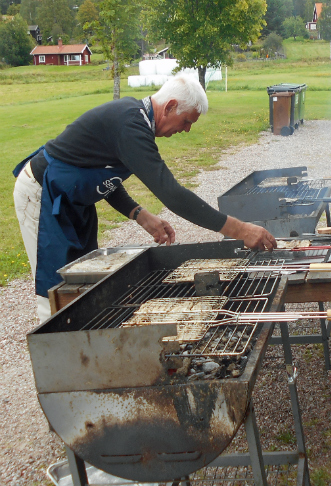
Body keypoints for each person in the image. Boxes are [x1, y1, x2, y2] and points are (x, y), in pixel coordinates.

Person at [13, 74, 277, 324]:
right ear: (170, 106)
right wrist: (239, 230)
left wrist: (139, 214)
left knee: (82, 279)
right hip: (42, 193)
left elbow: (101, 175)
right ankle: (55, 354)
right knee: (54, 285)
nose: (186, 130)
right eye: (187, 121)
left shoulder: (136, 122)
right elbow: (173, 194)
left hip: (74, 200)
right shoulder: (130, 125)